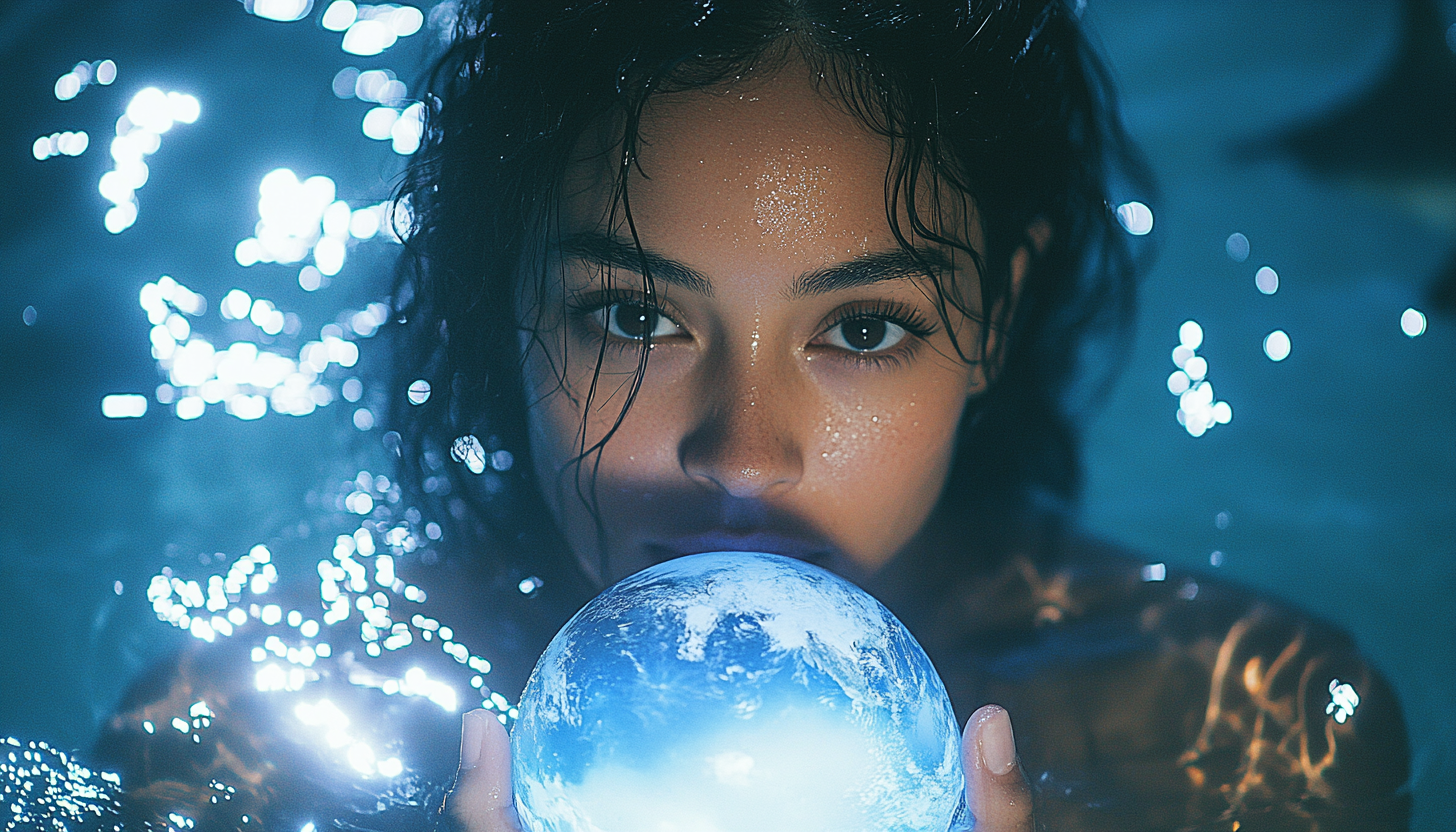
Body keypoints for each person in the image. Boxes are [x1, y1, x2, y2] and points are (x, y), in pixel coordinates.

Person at [98, 1, 1412, 830]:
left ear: (994, 317)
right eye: (631, 316)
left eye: (862, 328)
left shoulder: (1250, 733)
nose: (740, 452)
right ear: (511, 304)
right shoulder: (234, 747)